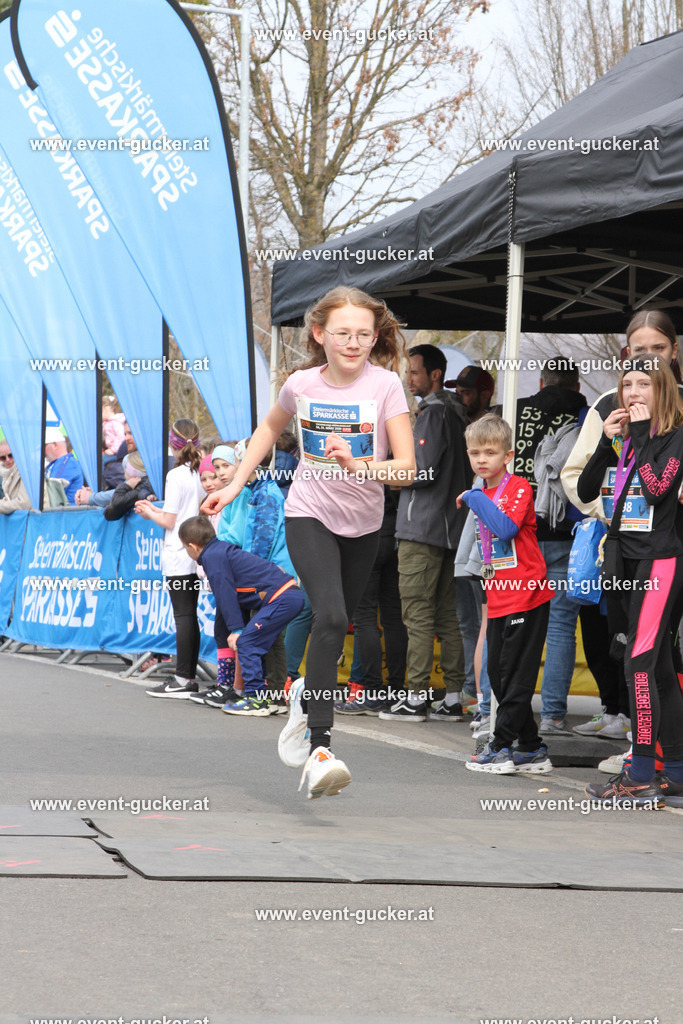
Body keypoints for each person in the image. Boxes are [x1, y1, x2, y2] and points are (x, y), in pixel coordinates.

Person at [202, 285, 415, 799]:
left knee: (332, 624)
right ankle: (321, 749)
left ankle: (303, 688)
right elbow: (266, 432)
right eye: (343, 333)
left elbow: (406, 470)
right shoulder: (300, 385)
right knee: (333, 618)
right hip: (309, 514)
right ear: (320, 334)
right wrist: (233, 485)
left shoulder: (386, 385)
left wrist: (359, 464)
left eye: (364, 334)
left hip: (364, 523)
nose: (354, 343)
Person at [562, 309, 683, 736]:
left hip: (668, 553)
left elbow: (657, 485)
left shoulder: (678, 410)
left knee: (656, 658)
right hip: (622, 551)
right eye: (639, 352)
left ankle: (655, 757)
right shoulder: (608, 406)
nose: (649, 359)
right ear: (624, 353)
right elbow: (579, 482)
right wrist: (616, 504)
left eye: (660, 350)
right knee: (628, 650)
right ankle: (643, 746)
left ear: (675, 351)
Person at [578, 359, 683, 807]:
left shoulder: (675, 434)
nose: (634, 392)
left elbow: (659, 488)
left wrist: (638, 438)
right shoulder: (624, 437)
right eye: (627, 384)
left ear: (663, 390)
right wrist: (606, 443)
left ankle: (640, 773)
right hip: (625, 562)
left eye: (645, 383)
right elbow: (585, 491)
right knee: (656, 670)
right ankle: (676, 773)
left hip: (661, 562)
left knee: (638, 665)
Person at [459, 414, 554, 775]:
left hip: (527, 594)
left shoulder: (518, 488)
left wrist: (473, 497)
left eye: (490, 452)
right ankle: (531, 749)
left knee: (516, 676)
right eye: (474, 453)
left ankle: (500, 746)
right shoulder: (481, 492)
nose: (481, 460)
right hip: (499, 595)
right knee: (498, 677)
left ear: (508, 455)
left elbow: (506, 527)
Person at [383, 343, 469, 722]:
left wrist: (387, 474)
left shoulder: (433, 414)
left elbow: (421, 470)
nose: (408, 378)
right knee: (448, 616)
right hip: (452, 531)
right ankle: (452, 697)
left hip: (423, 530)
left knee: (416, 614)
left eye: (414, 372)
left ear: (434, 375)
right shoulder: (458, 413)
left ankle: (415, 697)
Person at [513, 359, 591, 735]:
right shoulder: (585, 416)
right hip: (565, 533)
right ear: (577, 386)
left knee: (513, 624)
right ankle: (554, 716)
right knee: (560, 627)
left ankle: (499, 711)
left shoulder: (514, 409)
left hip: (517, 530)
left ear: (542, 381)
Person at [179, 516, 305, 716]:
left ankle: (256, 700)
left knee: (247, 643)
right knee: (270, 643)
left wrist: (237, 629)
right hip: (289, 594)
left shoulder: (212, 556)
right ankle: (275, 700)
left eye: (185, 548)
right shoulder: (220, 550)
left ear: (193, 546)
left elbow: (225, 593)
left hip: (282, 597)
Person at [136, 419, 205, 699]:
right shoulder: (201, 471)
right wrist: (157, 508)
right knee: (190, 616)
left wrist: (149, 512)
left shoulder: (176, 475)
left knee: (183, 616)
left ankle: (183, 676)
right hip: (197, 551)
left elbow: (170, 520)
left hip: (178, 554)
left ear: (173, 444)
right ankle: (185, 675)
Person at [103, 453, 156, 520]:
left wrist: (125, 486)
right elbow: (110, 513)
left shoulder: (142, 486)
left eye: (125, 467)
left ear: (132, 471)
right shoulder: (137, 485)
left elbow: (117, 503)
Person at [44, 428, 84, 504]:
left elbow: (52, 492)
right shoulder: (56, 463)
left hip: (65, 513)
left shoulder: (67, 463)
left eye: (44, 446)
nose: (42, 452)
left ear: (55, 445)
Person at [0, 443, 32, 513]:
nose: (7, 459)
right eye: (3, 457)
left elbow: (23, 504)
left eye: (11, 455)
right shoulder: (5, 474)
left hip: (32, 519)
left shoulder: (26, 471)